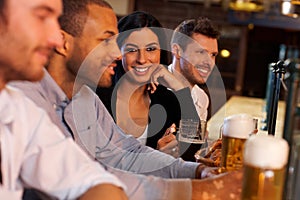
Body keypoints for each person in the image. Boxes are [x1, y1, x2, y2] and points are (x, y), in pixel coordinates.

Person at [12, 0, 243, 199]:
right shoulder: (24, 102)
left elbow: (126, 152)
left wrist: (197, 172)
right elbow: (97, 176)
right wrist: (198, 190)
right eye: (106, 41)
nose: (117, 53)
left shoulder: (85, 99)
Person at [0, 0, 128, 199]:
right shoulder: (28, 97)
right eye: (41, 16)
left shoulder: (18, 109)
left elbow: (90, 179)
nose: (54, 38)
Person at [97, 11, 198, 158]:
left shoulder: (167, 100)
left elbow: (194, 149)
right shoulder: (97, 96)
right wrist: (155, 158)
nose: (142, 59)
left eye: (150, 49)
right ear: (119, 52)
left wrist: (180, 88)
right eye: (132, 50)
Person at [168, 17, 220, 121]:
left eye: (213, 55)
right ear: (177, 51)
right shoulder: (152, 90)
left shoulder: (202, 98)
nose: (209, 62)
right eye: (201, 52)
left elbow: (192, 137)